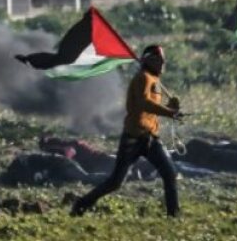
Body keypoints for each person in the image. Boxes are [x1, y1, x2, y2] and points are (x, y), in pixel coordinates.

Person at [71, 45, 182, 218]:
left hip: (150, 138)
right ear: (149, 61)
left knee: (169, 174)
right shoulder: (142, 78)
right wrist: (169, 112)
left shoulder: (154, 79)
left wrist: (170, 108)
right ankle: (81, 204)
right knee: (115, 182)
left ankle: (174, 216)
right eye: (158, 60)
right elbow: (144, 103)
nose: (162, 64)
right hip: (134, 139)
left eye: (163, 61)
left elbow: (152, 108)